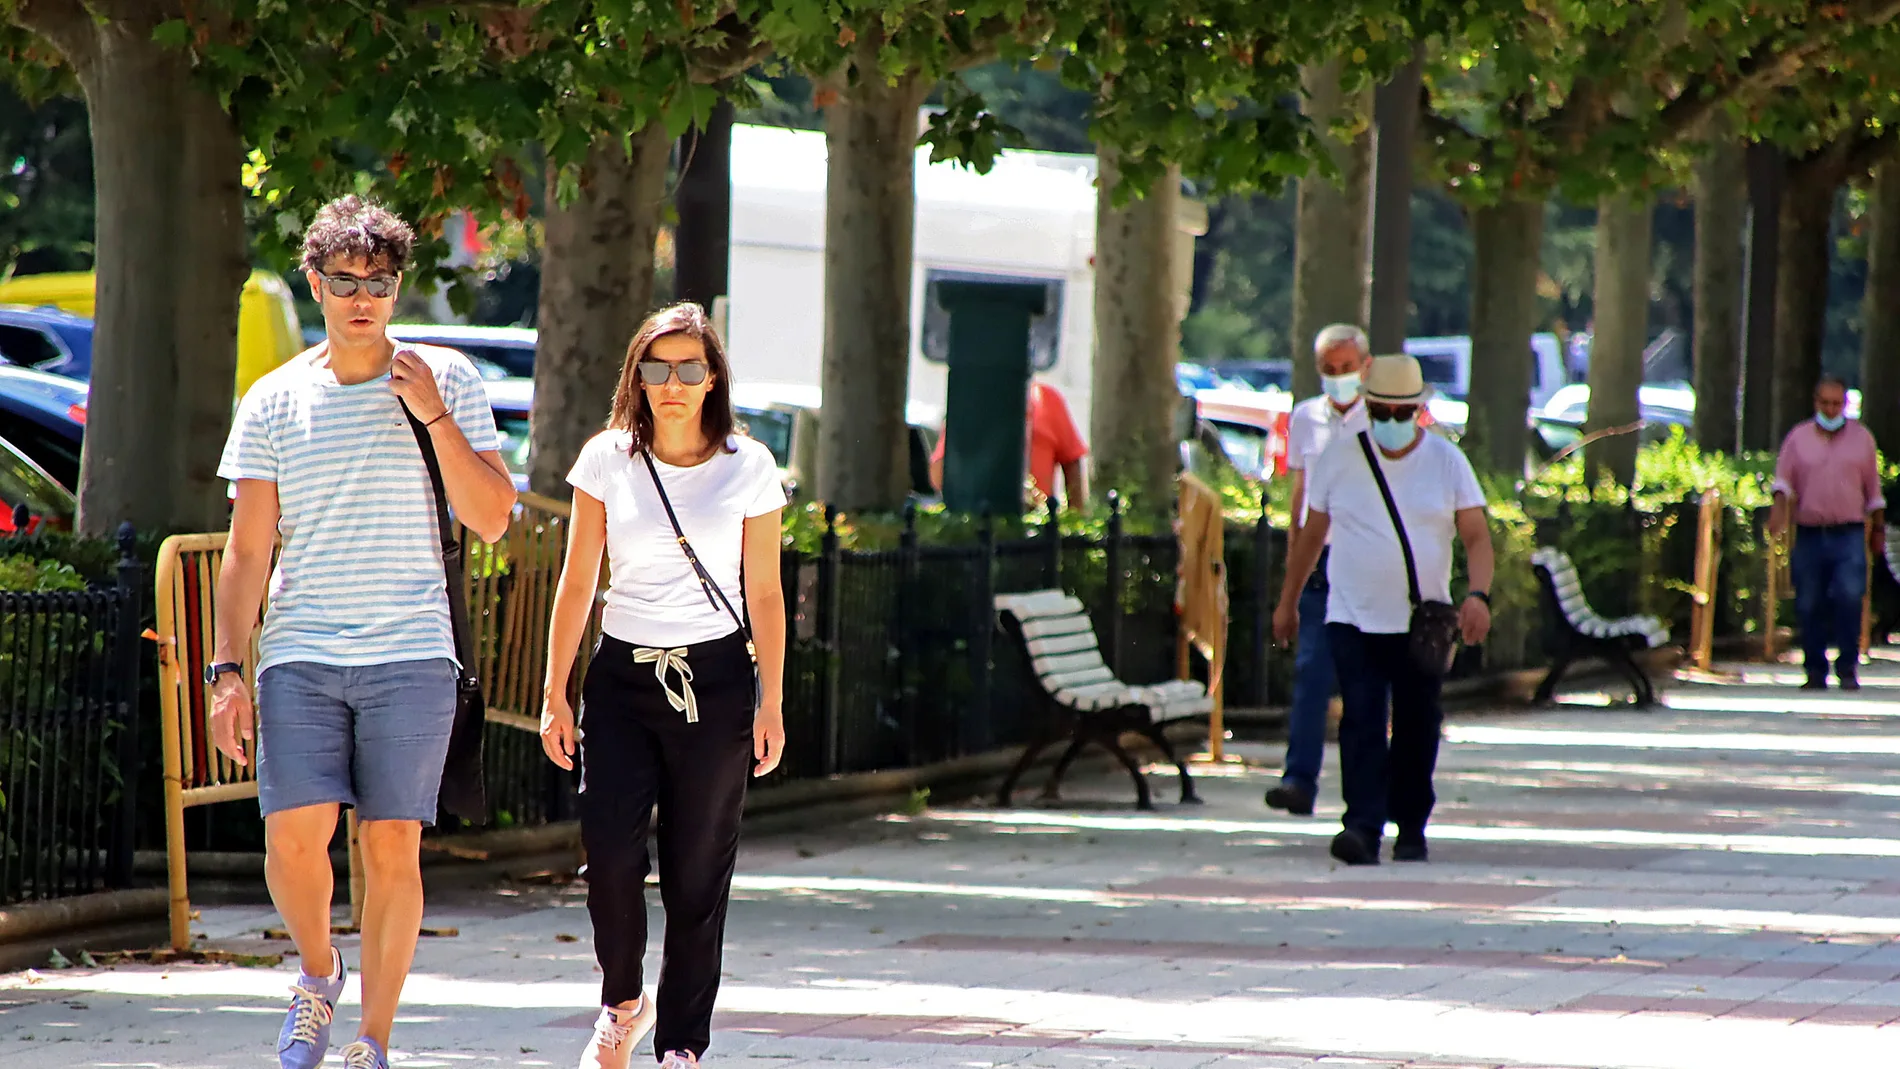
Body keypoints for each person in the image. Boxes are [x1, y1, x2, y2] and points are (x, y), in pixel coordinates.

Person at [207, 196, 517, 1069]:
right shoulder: (273, 400)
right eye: (343, 281)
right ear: (314, 283)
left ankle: (373, 1040)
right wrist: (227, 668)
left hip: (413, 652)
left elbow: (494, 518)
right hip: (302, 652)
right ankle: (317, 973)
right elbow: (245, 552)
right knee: (292, 836)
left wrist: (434, 417)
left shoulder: (446, 377)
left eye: (377, 282)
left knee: (390, 843)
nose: (361, 298)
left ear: (396, 288)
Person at [538, 302, 788, 1069]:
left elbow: (766, 594)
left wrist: (770, 698)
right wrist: (555, 691)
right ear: (637, 377)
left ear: (712, 378)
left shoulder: (749, 465)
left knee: (697, 870)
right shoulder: (607, 459)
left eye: (689, 368)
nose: (672, 384)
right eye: (657, 368)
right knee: (610, 852)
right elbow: (579, 579)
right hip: (621, 678)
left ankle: (681, 1044)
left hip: (712, 682)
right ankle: (621, 1002)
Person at [1271, 354, 1493, 866]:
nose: (1391, 424)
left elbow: (1477, 536)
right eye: (1381, 413)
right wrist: (1288, 601)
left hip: (1422, 623)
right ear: (1367, 407)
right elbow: (1311, 537)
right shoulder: (1338, 458)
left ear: (1419, 411)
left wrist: (1477, 595)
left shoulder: (1446, 462)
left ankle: (1410, 825)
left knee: (1418, 725)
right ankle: (1362, 827)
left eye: (1402, 414)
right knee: (1362, 722)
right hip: (1352, 616)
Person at [1264, 323, 1370, 818]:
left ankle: (1367, 790)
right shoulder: (1306, 419)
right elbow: (1300, 503)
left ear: (1366, 367)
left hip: (1370, 562)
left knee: (1368, 681)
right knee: (1311, 672)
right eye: (1329, 370)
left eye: (1347, 368)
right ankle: (1298, 778)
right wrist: (1290, 588)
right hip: (1322, 562)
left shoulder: (1388, 419)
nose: (1338, 378)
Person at [1769, 374, 1885, 690]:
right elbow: (1783, 481)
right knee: (1809, 601)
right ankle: (1815, 671)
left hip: (1848, 532)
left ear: (1845, 405)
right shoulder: (1798, 438)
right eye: (1825, 403)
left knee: (1849, 597)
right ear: (1816, 402)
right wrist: (1778, 512)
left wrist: (1878, 529)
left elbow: (1873, 491)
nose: (1831, 409)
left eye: (1837, 404)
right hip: (1809, 532)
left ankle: (1847, 667)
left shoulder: (1862, 439)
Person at [928, 379, 1089, 510]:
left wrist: (1075, 521)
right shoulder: (973, 402)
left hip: (1037, 521)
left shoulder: (1046, 398)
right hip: (983, 516)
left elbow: (1072, 462)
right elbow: (939, 475)